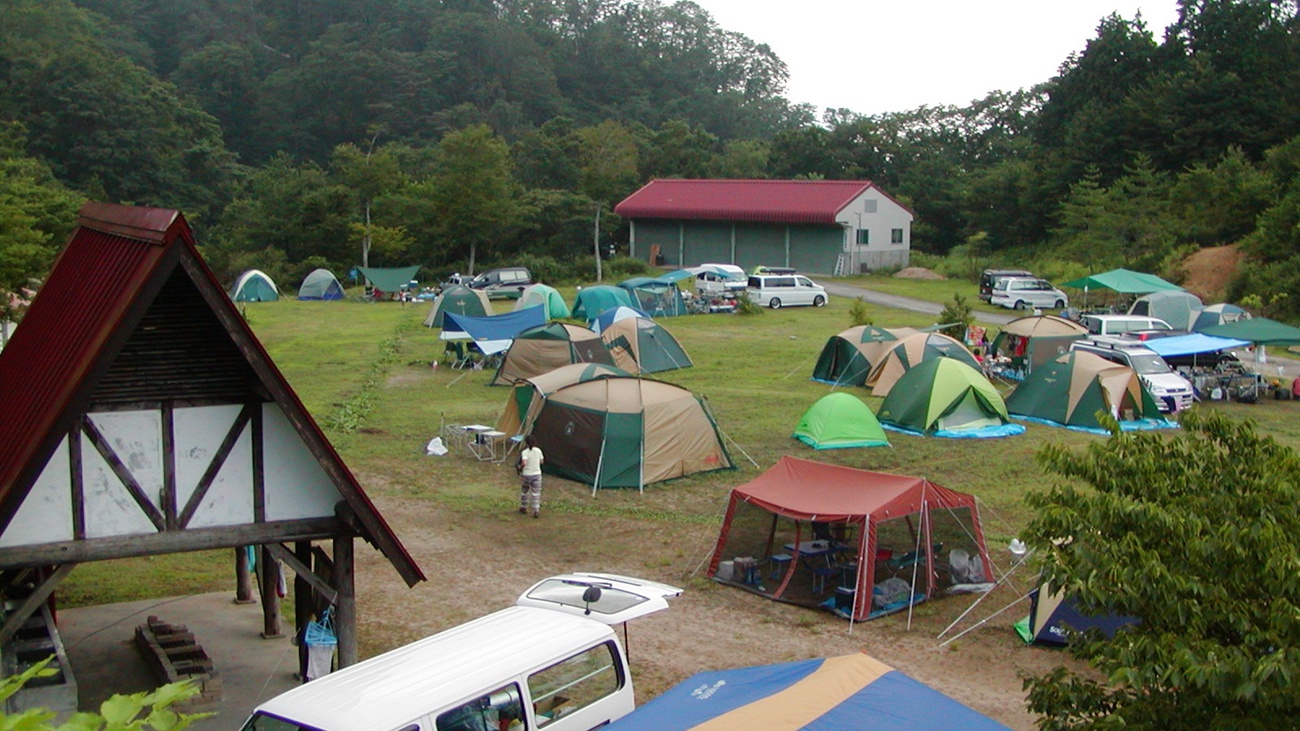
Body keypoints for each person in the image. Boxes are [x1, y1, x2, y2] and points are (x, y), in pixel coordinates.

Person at [517, 435, 544, 518]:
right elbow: (541, 461)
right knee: (536, 493)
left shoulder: (525, 452)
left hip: (527, 474)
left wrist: (520, 467)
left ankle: (524, 507)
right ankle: (536, 510)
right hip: (537, 474)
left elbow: (524, 463)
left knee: (525, 491)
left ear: (526, 443)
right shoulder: (538, 451)